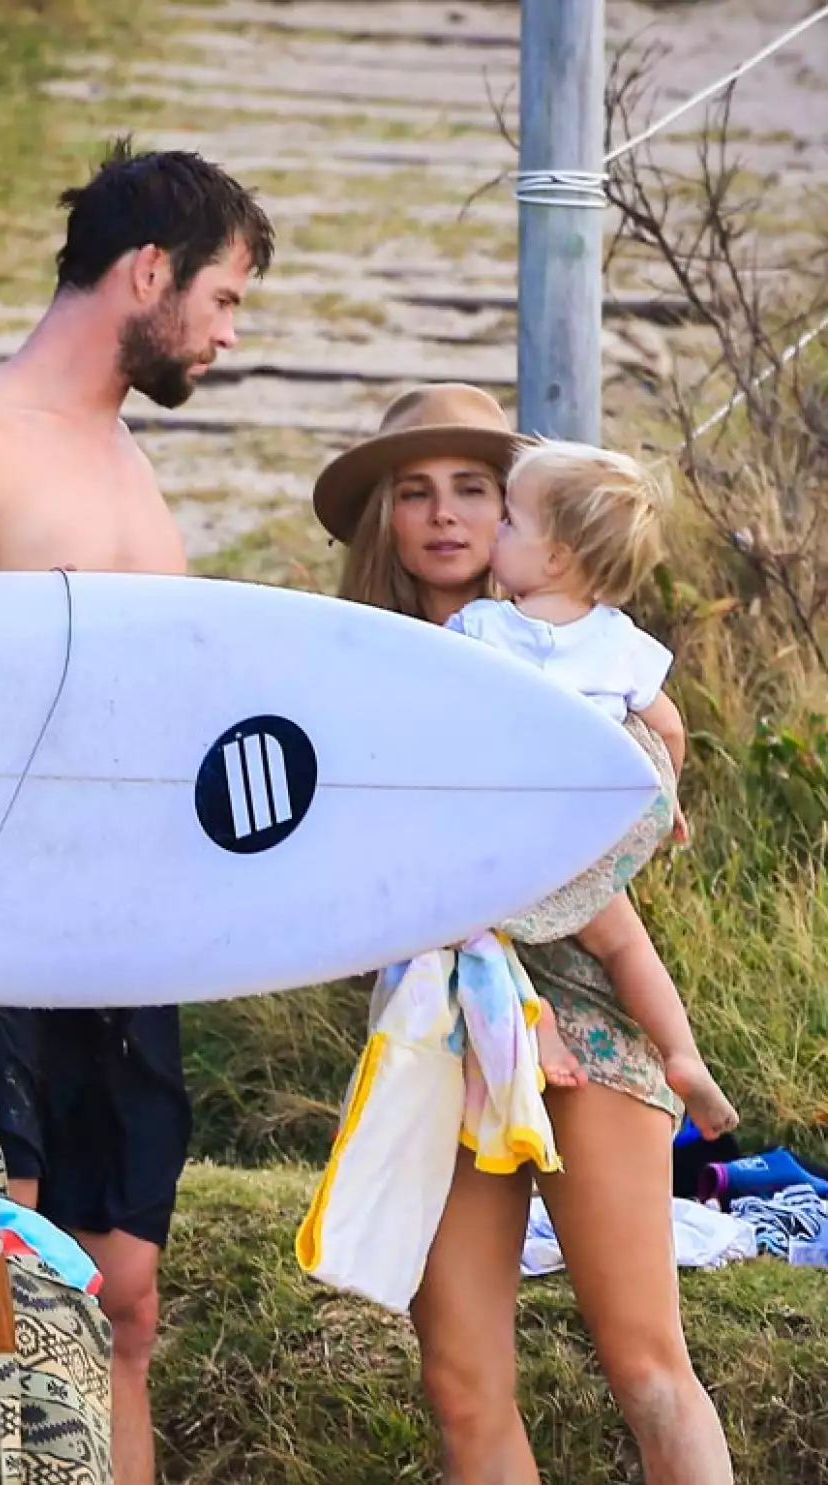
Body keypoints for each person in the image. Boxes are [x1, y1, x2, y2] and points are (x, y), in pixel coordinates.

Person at [0, 137, 275, 1485]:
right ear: (149, 270)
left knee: (123, 1293)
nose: (228, 334)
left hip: (122, 945)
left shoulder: (126, 469)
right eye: (226, 297)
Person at [311, 382, 734, 1485]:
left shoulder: (605, 665)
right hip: (438, 1024)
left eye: (478, 493)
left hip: (586, 1017)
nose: (450, 516)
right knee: (459, 1382)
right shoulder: (356, 666)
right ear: (386, 520)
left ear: (539, 531)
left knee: (645, 1362)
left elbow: (632, 820)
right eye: (417, 492)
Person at [444, 436, 738, 1138]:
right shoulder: (621, 643)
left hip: (502, 845)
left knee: (474, 937)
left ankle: (534, 1023)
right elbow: (666, 731)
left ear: (554, 558)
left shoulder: (481, 628)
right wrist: (661, 812)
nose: (495, 529)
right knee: (625, 946)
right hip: (582, 842)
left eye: (510, 520)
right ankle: (682, 1053)